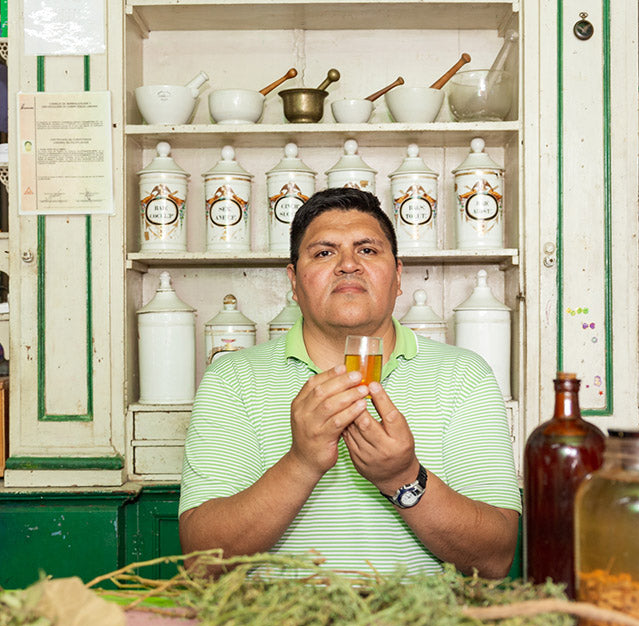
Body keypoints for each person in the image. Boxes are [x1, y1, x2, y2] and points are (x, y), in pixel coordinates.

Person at [178, 188, 520, 578]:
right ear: (293, 280)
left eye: (368, 250)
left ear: (398, 275)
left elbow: (495, 558)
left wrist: (403, 478)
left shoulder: (464, 375)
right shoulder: (232, 378)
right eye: (324, 252)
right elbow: (201, 561)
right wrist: (301, 463)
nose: (348, 265)